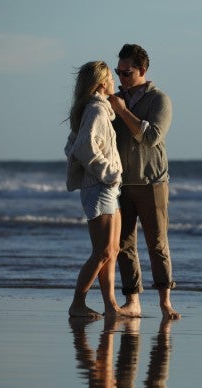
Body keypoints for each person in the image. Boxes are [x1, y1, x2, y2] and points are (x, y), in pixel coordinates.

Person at [108, 43, 180, 319]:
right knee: (124, 244)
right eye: (118, 72)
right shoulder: (115, 100)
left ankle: (165, 301)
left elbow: (151, 137)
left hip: (152, 182)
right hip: (121, 183)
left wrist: (123, 111)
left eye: (126, 73)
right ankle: (133, 301)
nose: (121, 78)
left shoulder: (160, 100)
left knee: (157, 242)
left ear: (142, 70)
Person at [65, 60, 124, 318]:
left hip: (105, 187)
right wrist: (108, 173)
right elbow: (80, 148)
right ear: (102, 83)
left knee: (112, 250)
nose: (114, 82)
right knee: (102, 251)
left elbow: (72, 145)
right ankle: (77, 303)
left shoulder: (95, 110)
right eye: (111, 78)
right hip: (100, 187)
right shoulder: (97, 111)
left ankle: (110, 306)